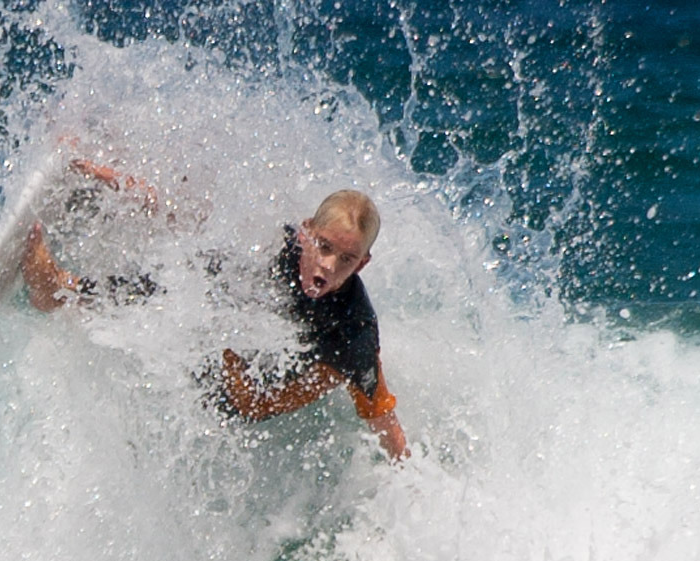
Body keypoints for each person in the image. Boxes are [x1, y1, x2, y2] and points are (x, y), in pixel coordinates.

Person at [20, 159, 409, 461]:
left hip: (245, 397)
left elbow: (382, 421)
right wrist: (107, 175)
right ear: (305, 232)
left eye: (346, 259)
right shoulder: (280, 246)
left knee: (204, 301)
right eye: (323, 247)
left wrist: (409, 489)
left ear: (362, 265)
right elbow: (190, 222)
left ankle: (58, 291)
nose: (328, 266)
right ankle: (89, 215)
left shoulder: (352, 330)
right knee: (194, 257)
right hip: (229, 337)